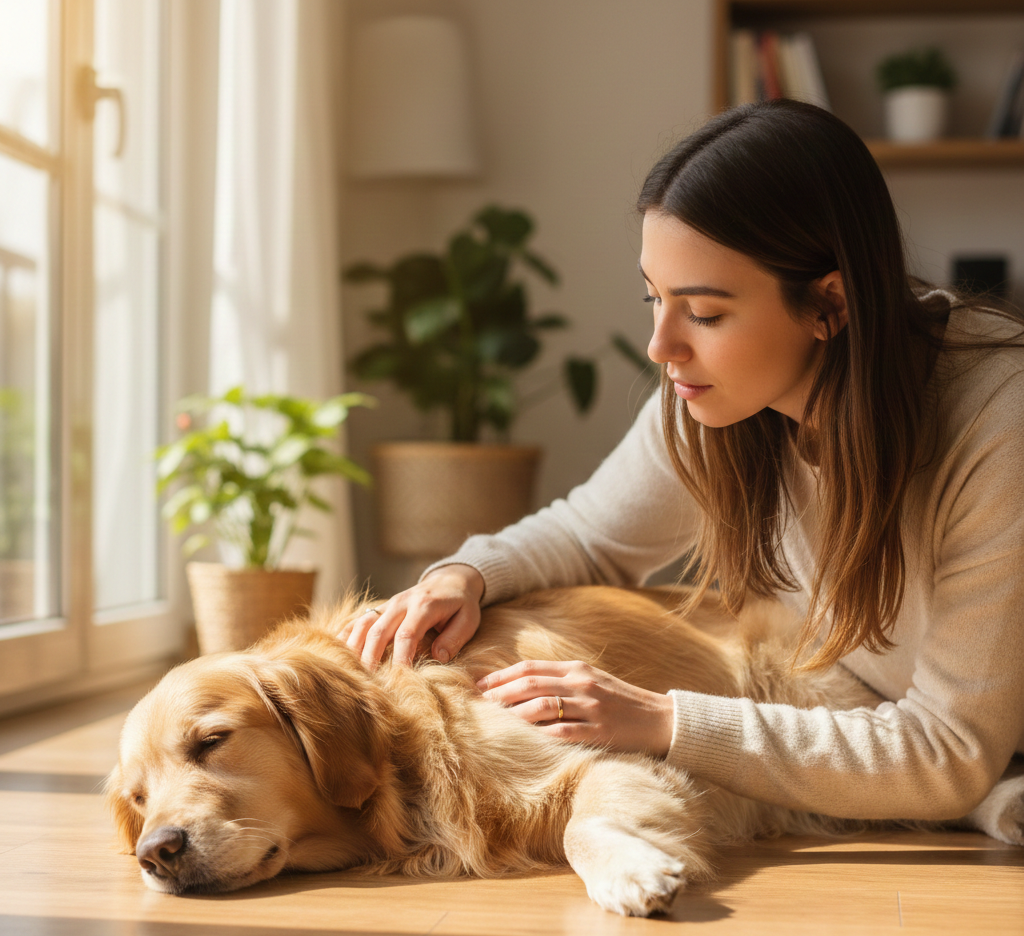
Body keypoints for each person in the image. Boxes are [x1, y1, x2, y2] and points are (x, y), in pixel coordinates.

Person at [345, 99, 1024, 823]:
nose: (660, 346)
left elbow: (948, 750)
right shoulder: (716, 400)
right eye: (654, 298)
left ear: (831, 303)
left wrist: (663, 721)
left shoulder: (998, 422)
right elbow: (592, 539)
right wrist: (466, 575)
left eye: (703, 313)